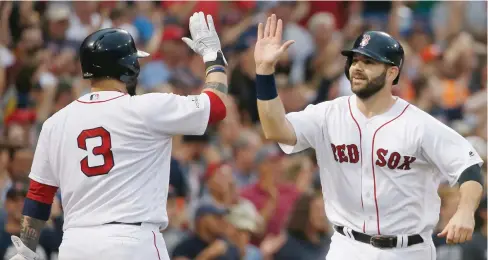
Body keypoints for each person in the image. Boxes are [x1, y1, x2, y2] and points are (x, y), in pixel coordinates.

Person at [253, 14, 484, 260]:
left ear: (392, 73)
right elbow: (276, 130)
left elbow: (468, 167)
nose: (358, 67)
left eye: (369, 62)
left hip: (408, 250)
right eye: (355, 60)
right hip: (347, 246)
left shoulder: (418, 124)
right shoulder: (328, 114)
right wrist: (264, 72)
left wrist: (465, 211)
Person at [8, 11, 230, 260]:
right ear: (129, 67)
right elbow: (217, 106)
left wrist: (27, 251)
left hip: (76, 244)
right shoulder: (147, 108)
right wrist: (214, 57)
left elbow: (38, 195)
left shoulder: (55, 123)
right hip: (133, 242)